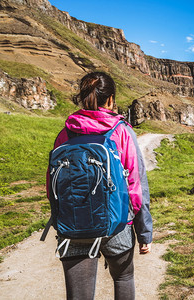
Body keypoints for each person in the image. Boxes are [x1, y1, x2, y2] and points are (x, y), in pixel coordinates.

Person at [48, 71, 153, 300]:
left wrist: (59, 220)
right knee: (123, 278)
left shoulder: (65, 133)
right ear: (111, 99)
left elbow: (53, 185)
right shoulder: (122, 131)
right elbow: (136, 186)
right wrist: (144, 233)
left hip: (73, 224)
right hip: (117, 224)